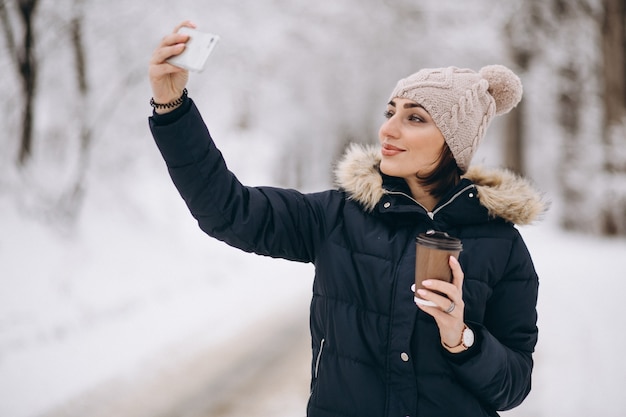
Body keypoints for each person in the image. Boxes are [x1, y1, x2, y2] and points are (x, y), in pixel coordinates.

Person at [148, 21, 545, 417]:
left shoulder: (501, 245)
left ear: (453, 143)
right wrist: (171, 107)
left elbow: (512, 388)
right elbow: (227, 210)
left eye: (415, 118)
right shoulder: (337, 215)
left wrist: (461, 338)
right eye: (391, 112)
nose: (388, 129)